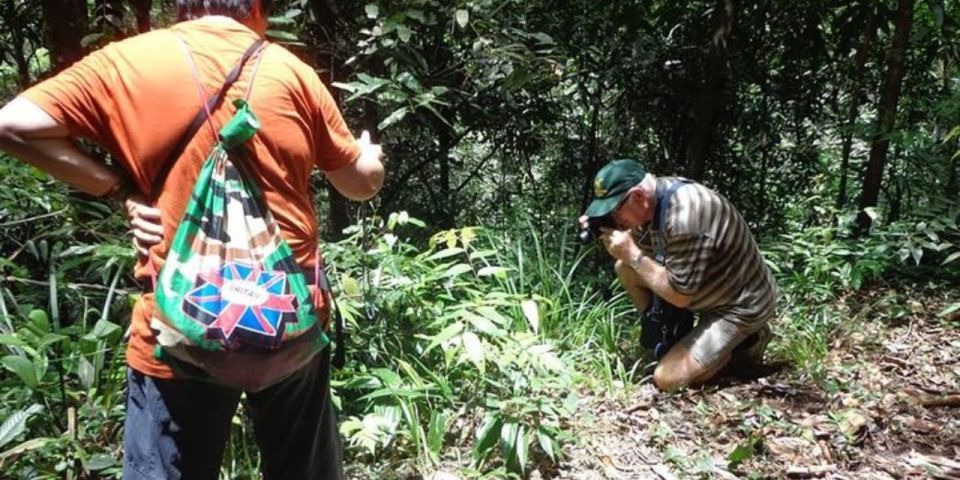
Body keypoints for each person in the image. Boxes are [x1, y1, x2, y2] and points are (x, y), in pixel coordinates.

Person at [0, 1, 384, 478]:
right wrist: (369, 154)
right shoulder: (291, 72)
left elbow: (11, 124)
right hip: (288, 318)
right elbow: (359, 184)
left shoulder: (126, 62)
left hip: (183, 320)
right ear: (257, 10)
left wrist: (120, 189)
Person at [580, 159, 777, 392]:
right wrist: (606, 226)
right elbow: (652, 257)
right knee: (624, 269)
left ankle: (745, 344)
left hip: (740, 305)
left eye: (614, 210)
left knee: (667, 379)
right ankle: (671, 337)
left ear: (638, 196)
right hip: (707, 290)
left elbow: (680, 295)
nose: (614, 218)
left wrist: (632, 253)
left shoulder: (685, 217)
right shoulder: (654, 200)